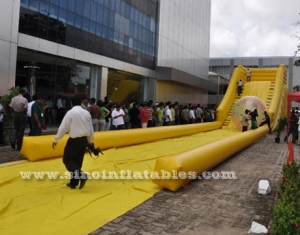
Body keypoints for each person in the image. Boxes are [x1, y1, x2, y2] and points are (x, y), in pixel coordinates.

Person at [52, 96, 94, 190]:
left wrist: (56, 139)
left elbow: (63, 127)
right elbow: (91, 128)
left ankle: (82, 175)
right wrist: (90, 141)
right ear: (81, 102)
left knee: (67, 160)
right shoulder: (86, 113)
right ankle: (73, 183)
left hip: (74, 140)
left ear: (71, 103)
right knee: (77, 162)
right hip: (84, 140)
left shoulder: (71, 113)